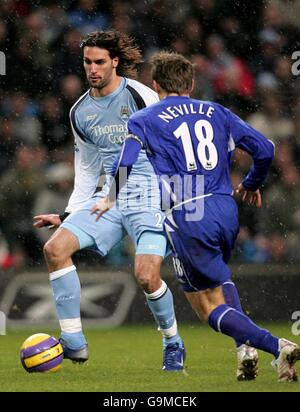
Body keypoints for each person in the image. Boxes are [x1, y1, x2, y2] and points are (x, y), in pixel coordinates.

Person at [93, 52, 300, 382]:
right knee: (218, 279)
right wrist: (251, 183)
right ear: (191, 84)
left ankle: (277, 346)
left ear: (156, 84)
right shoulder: (217, 111)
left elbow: (126, 162)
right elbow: (266, 149)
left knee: (205, 307)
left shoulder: (145, 118)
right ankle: (244, 348)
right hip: (225, 205)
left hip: (188, 210)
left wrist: (109, 198)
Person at [33, 31, 185, 371]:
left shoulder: (141, 95)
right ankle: (73, 342)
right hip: (109, 199)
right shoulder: (80, 111)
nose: (93, 69)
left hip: (151, 195)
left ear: (115, 61)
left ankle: (173, 341)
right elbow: (87, 168)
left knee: (147, 277)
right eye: (87, 62)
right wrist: (69, 212)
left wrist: (178, 198)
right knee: (55, 250)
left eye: (100, 62)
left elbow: (172, 143)